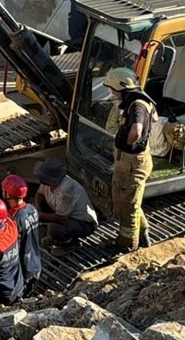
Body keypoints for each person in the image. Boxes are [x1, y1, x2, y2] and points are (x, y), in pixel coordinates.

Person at [105, 67, 157, 252]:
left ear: (122, 88)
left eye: (113, 89)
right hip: (130, 161)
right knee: (130, 200)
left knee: (129, 205)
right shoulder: (139, 101)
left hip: (132, 161)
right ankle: (143, 233)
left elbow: (136, 131)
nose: (111, 93)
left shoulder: (136, 105)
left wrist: (127, 146)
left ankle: (127, 244)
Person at [33, 159, 98, 249]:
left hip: (83, 223)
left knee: (55, 228)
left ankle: (70, 243)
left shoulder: (67, 190)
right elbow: (39, 194)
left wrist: (37, 215)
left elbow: (61, 219)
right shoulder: (48, 183)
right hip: (64, 215)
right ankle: (52, 236)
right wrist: (37, 209)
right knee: (38, 207)